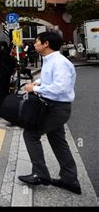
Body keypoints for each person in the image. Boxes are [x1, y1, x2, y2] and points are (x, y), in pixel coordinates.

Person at [20, 32, 81, 195]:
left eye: (37, 42)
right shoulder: (50, 60)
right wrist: (38, 82)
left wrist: (35, 88)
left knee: (31, 134)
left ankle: (40, 174)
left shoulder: (60, 62)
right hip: (52, 106)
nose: (34, 44)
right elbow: (50, 80)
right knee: (58, 142)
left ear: (46, 44)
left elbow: (61, 87)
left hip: (57, 108)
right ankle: (70, 180)